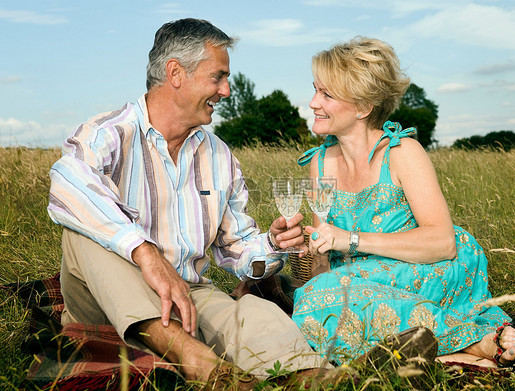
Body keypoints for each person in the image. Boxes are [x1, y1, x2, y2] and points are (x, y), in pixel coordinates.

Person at [47, 18, 334, 389]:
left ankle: (305, 374)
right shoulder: (108, 133)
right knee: (83, 229)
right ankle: (195, 359)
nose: (226, 91)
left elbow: (236, 252)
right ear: (175, 73)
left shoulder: (219, 156)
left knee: (252, 312)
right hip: (102, 298)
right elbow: (67, 185)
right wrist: (145, 254)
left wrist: (271, 245)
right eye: (218, 77)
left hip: (187, 291)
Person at [291, 36, 515, 367]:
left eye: (326, 94)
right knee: (314, 298)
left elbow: (442, 243)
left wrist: (350, 240)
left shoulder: (402, 154)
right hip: (352, 280)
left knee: (324, 300)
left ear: (362, 107)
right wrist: (304, 250)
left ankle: (468, 337)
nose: (313, 102)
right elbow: (322, 265)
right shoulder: (321, 162)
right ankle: (463, 352)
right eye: (315, 89)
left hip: (427, 270)